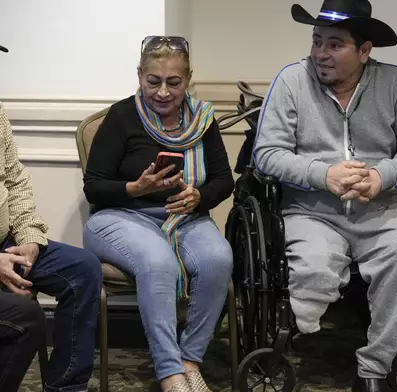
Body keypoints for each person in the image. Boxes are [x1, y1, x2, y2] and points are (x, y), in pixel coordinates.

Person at [253, 1, 397, 391]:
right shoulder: (291, 81)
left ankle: (374, 369)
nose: (320, 53)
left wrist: (381, 176)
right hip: (311, 210)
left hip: (382, 209)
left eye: (334, 45)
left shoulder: (396, 83)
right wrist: (323, 175)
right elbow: (266, 154)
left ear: (364, 51)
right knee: (314, 269)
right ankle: (305, 333)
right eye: (317, 41)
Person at [82, 36, 234, 392]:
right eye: (154, 81)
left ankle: (188, 360)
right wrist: (136, 188)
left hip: (185, 217)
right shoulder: (121, 116)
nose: (163, 92)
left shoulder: (202, 119)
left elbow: (225, 180)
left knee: (218, 258)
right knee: (159, 261)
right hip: (119, 216)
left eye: (174, 82)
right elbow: (94, 186)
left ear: (188, 79)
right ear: (139, 76)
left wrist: (198, 197)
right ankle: (169, 374)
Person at [0, 43, 102, 392]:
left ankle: (66, 387)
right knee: (26, 317)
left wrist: (28, 236)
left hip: (7, 242)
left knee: (84, 269)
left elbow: (15, 181)